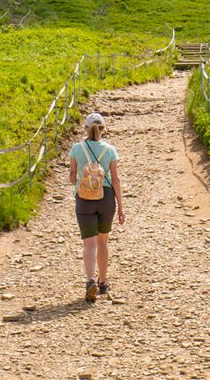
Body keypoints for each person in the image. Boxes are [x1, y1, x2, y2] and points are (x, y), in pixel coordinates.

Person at [69, 112, 124, 301]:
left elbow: (71, 177)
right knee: (103, 241)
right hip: (106, 197)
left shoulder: (76, 148)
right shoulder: (110, 150)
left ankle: (90, 279)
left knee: (89, 243)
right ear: (103, 129)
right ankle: (103, 281)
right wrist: (121, 207)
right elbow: (115, 180)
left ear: (86, 128)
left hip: (84, 198)